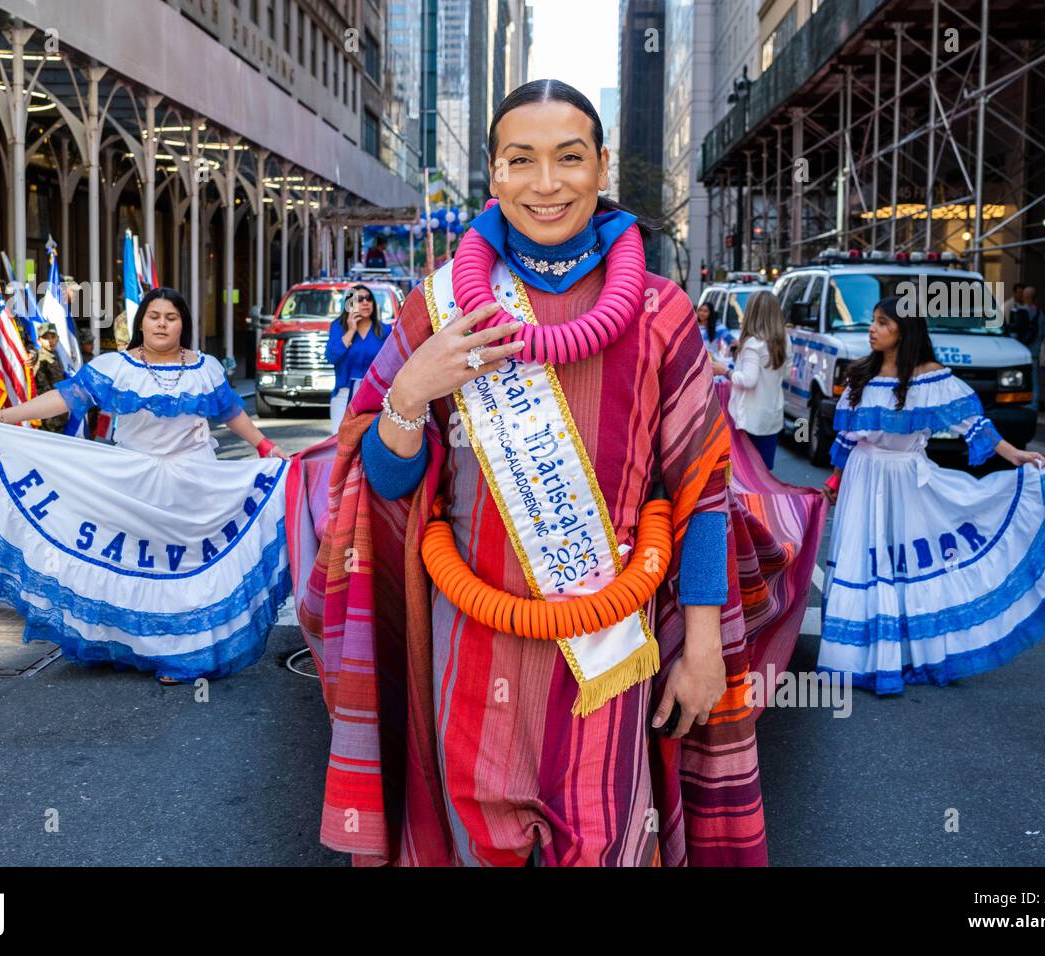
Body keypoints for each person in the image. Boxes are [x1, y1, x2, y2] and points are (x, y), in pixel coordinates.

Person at [286, 79, 824, 867]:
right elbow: (383, 488)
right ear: (494, 175)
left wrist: (703, 642)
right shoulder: (435, 311)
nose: (546, 183)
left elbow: (701, 493)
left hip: (610, 657)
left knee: (610, 845)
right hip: (469, 650)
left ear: (601, 167)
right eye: (521, 160)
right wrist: (407, 393)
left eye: (569, 159)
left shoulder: (660, 312)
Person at [0, 287, 291, 684]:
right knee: (136, 563)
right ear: (142, 322)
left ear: (183, 323)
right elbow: (64, 398)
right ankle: (128, 644)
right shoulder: (116, 366)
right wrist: (6, 416)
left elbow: (230, 411)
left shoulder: (205, 368)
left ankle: (185, 655)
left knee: (188, 568)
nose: (162, 324)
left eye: (171, 317)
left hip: (194, 483)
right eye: (154, 316)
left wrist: (265, 445)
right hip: (132, 482)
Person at [818, 295, 1045, 694]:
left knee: (902, 562)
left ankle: (905, 653)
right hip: (861, 480)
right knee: (864, 562)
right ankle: (857, 657)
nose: (872, 329)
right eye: (873, 321)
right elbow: (848, 438)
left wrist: (1016, 456)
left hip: (905, 478)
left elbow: (973, 426)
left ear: (904, 332)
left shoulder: (930, 378)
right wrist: (836, 480)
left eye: (883, 323)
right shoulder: (860, 375)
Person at [720, 290, 788, 470]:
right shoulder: (785, 341)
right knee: (764, 472)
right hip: (772, 415)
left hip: (748, 418)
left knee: (746, 474)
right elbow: (787, 374)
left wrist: (726, 372)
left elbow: (748, 380)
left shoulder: (753, 343)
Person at [323, 283, 384, 432]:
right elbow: (332, 357)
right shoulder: (338, 327)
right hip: (344, 395)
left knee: (368, 445)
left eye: (368, 299)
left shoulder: (384, 330)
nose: (365, 302)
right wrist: (351, 331)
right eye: (359, 299)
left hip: (374, 397)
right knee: (338, 441)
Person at [31, 323, 70, 433]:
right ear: (39, 340)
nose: (50, 341)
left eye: (53, 337)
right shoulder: (40, 359)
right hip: (49, 410)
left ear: (58, 338)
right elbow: (42, 387)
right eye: (45, 338)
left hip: (60, 407)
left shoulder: (57, 355)